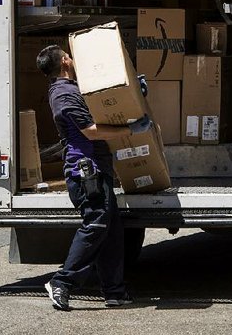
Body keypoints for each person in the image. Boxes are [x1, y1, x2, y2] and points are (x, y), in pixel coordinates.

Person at [36, 45, 151, 311]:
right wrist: (130, 129)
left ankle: (114, 290)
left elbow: (104, 108)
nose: (73, 58)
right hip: (85, 171)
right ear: (65, 61)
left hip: (97, 168)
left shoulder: (71, 90)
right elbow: (91, 130)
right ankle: (62, 282)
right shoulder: (64, 95)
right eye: (70, 55)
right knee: (96, 226)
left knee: (111, 231)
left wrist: (132, 93)